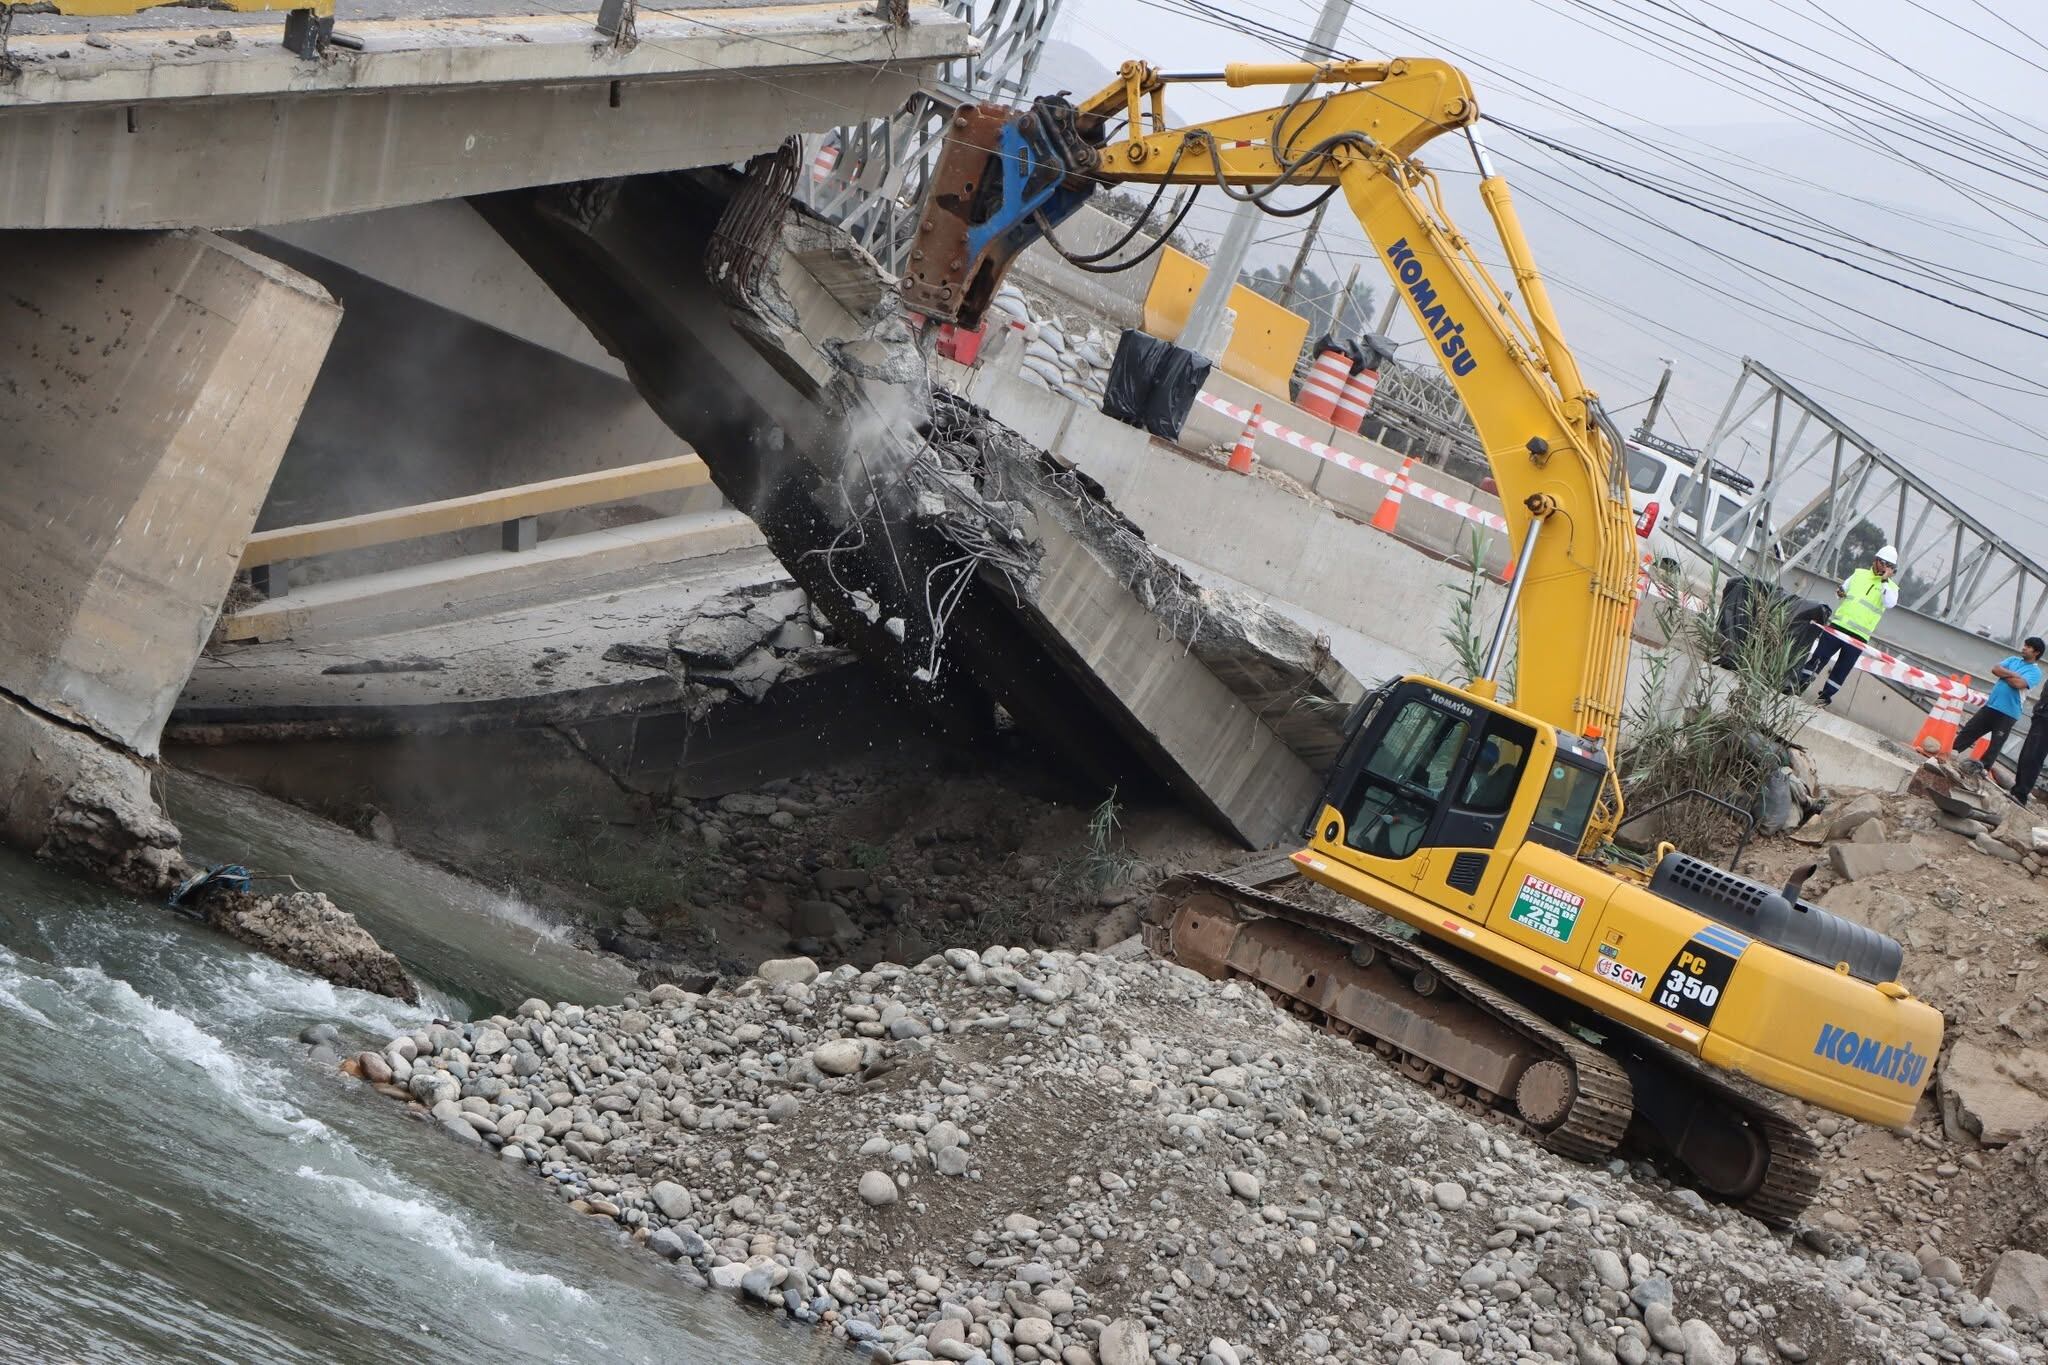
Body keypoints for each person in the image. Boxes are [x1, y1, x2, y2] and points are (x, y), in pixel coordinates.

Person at [1796, 545, 1900, 705]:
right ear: (1877, 561)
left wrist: (1885, 580)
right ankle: (1798, 687)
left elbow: (1890, 603)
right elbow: (1840, 591)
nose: (1886, 568)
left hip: (1859, 636)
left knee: (1842, 669)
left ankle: (1824, 698)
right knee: (1818, 658)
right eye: (1884, 563)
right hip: (1838, 627)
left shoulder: (1891, 588)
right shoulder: (1859, 574)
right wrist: (1842, 593)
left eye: (1890, 566)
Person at [1956, 636, 2045, 769]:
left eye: (2028, 647)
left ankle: (1982, 770)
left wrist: (2004, 674)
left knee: (1995, 745)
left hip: (2008, 713)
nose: (2024, 648)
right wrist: (2013, 674)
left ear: (2036, 652)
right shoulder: (2013, 660)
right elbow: (1995, 669)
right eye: (2025, 645)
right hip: (1991, 706)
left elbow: (2018, 684)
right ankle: (1950, 751)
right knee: (1968, 731)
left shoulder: (2035, 672)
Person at [2010, 689, 2048, 806]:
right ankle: (2018, 790)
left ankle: (2021, 793)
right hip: (2042, 715)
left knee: (2033, 755)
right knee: (2028, 753)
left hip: (2045, 717)